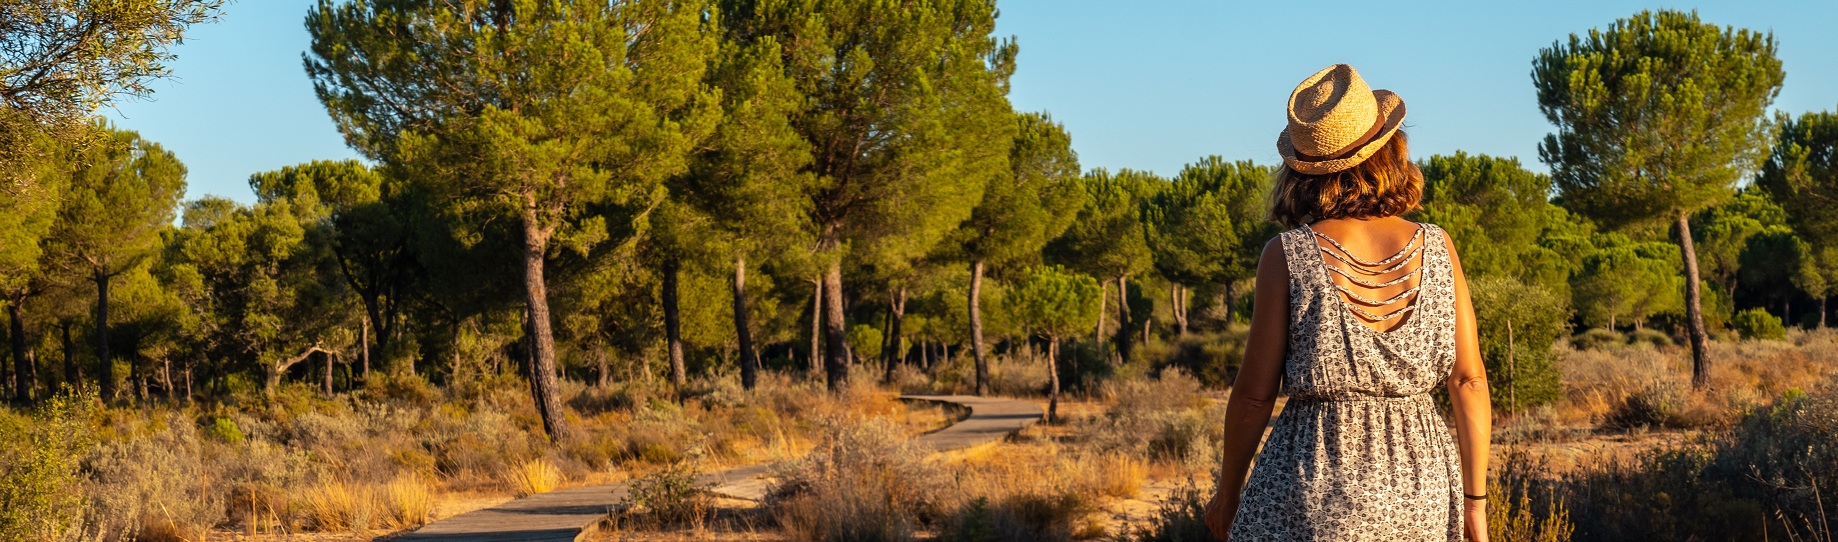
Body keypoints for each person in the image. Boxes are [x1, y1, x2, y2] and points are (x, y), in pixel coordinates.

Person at [1203, 64, 1492, 542]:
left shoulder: (1287, 255)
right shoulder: (1439, 247)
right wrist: (1474, 505)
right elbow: (1469, 380)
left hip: (1313, 483)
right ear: (1391, 152)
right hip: (1422, 488)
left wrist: (1228, 494)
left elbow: (1255, 395)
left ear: (1302, 170)